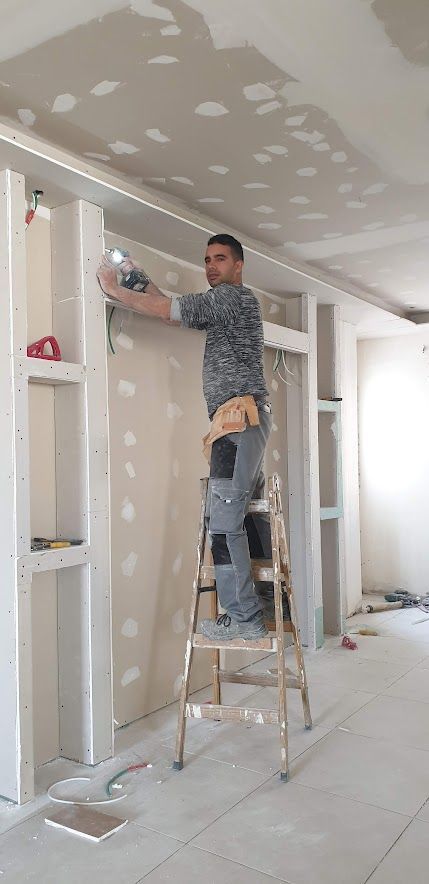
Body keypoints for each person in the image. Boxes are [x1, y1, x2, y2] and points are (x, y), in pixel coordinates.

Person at [96, 233, 275, 641]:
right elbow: (171, 311)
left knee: (223, 522)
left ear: (238, 265)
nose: (211, 266)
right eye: (207, 260)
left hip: (236, 421)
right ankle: (264, 604)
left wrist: (114, 290)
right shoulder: (224, 305)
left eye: (220, 259)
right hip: (241, 421)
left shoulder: (232, 297)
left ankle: (244, 618)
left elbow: (171, 310)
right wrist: (137, 280)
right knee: (245, 515)